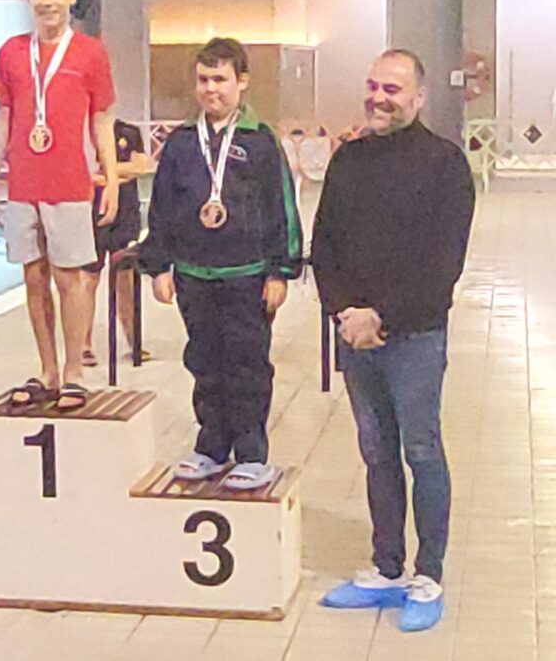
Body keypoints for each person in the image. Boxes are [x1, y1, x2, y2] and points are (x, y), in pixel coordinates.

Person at [314, 50, 475, 632]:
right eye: (373, 86)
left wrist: (380, 316)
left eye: (393, 89)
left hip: (415, 336)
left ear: (419, 97)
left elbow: (443, 265)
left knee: (421, 450)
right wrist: (343, 312)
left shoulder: (445, 165)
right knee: (376, 451)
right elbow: (324, 245)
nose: (379, 98)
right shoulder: (348, 160)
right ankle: (387, 567)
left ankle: (427, 574)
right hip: (356, 337)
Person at [139, 38, 303, 490]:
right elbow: (163, 207)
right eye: (203, 80)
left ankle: (251, 453)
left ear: (242, 82)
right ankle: (211, 446)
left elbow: (281, 208)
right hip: (194, 274)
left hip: (247, 275)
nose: (211, 89)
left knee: (247, 366)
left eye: (220, 79)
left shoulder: (260, 140)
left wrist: (280, 271)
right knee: (204, 363)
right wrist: (159, 265)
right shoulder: (181, 142)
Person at [0, 0, 119, 411]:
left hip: (69, 180)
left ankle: (74, 370)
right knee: (34, 276)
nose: (47, 1)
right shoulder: (11, 51)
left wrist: (112, 179)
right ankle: (47, 369)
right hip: (24, 181)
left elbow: (101, 119)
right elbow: (3, 116)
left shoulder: (90, 52)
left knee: (71, 276)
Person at [82, 119, 150, 367]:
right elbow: (82, 174)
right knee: (89, 279)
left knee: (126, 277)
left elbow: (141, 167)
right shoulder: (82, 132)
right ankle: (83, 346)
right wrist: (119, 174)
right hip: (92, 212)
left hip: (126, 213)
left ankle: (134, 341)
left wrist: (107, 173)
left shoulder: (128, 131)